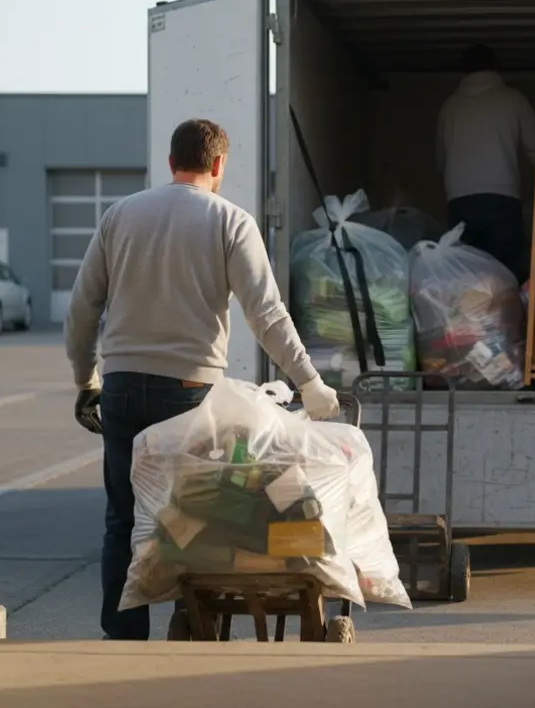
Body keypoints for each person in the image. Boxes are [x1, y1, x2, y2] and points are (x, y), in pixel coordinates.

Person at [63, 117, 341, 641]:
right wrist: (308, 382)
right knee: (191, 513)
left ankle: (121, 634)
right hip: (189, 394)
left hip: (121, 385)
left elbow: (82, 309)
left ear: (171, 162)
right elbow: (267, 314)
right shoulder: (229, 221)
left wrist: (86, 378)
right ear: (218, 166)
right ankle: (190, 615)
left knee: (123, 517)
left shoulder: (119, 216)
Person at [435, 43, 535, 284]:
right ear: (497, 68)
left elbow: (441, 160)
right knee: (506, 280)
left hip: (459, 202)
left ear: (463, 72)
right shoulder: (512, 99)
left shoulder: (449, 106)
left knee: (463, 283)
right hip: (501, 202)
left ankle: (467, 322)